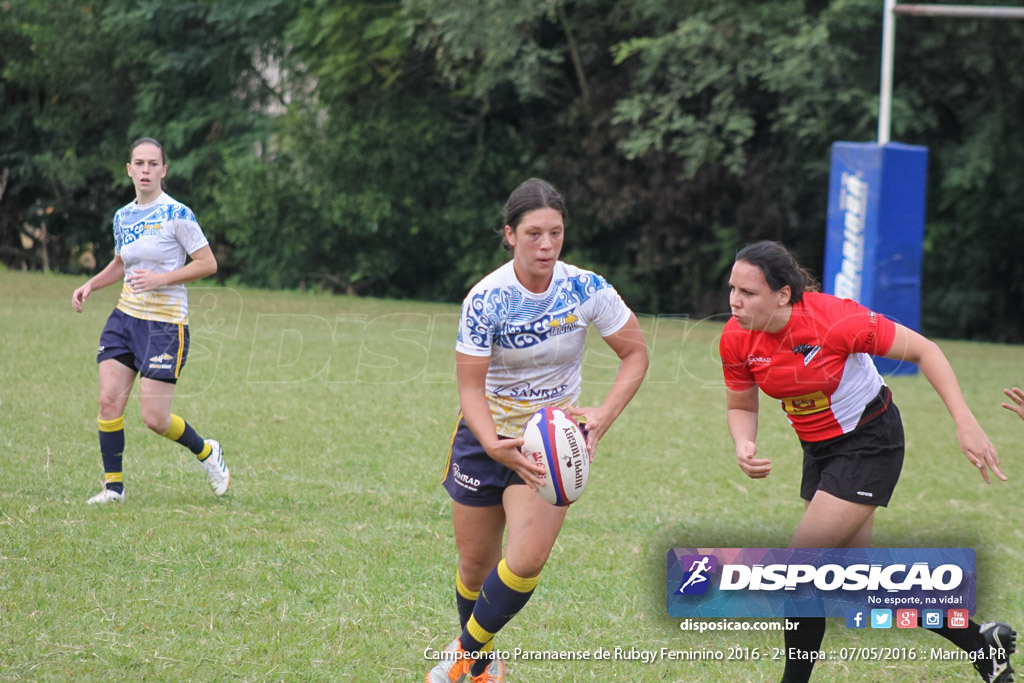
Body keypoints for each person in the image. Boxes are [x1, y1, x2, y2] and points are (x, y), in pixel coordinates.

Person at [719, 240, 1016, 683]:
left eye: (748, 292)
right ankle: (981, 644)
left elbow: (925, 350)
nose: (735, 301)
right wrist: (744, 442)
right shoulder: (736, 338)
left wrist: (964, 421)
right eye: (732, 289)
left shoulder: (836, 320)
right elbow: (742, 405)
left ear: (783, 294)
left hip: (869, 442)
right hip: (819, 449)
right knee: (858, 584)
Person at [425, 178, 649, 683]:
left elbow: (636, 353)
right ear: (510, 234)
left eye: (556, 233)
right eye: (533, 234)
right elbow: (469, 388)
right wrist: (490, 443)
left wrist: (603, 416)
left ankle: (459, 656)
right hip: (485, 440)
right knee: (474, 566)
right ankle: (483, 665)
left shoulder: (586, 288)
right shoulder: (487, 298)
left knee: (525, 560)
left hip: (552, 446)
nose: (546, 245)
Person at [71, 137, 229, 504]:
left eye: (152, 164)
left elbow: (208, 264)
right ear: (129, 169)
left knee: (155, 418)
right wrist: (91, 285)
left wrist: (160, 279)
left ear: (163, 170)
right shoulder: (123, 216)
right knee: (109, 402)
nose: (145, 170)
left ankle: (207, 451)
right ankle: (113, 488)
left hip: (165, 324)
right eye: (138, 163)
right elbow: (121, 263)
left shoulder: (178, 214)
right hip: (125, 318)